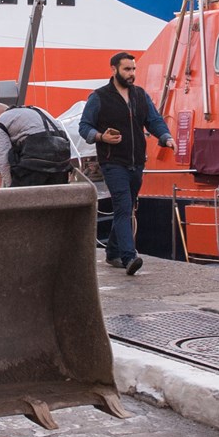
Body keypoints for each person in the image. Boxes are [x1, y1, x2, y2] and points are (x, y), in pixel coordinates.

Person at [80, 51, 175, 275]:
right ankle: (129, 257)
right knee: (123, 206)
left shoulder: (140, 95)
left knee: (127, 207)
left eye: (133, 69)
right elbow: (84, 126)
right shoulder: (99, 97)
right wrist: (101, 137)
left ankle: (112, 252)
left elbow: (153, 120)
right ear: (114, 70)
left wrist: (165, 137)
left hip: (136, 162)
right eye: (127, 69)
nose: (131, 73)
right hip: (113, 162)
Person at [0, 101, 73, 187]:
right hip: (63, 156)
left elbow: (3, 157)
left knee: (24, 193)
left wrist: (11, 186)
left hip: (36, 157)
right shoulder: (36, 109)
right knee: (56, 194)